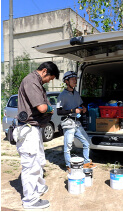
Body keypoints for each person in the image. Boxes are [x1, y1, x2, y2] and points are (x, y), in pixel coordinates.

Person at [14, 61, 60, 209]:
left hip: (34, 129)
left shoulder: (37, 82)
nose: (49, 81)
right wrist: (49, 108)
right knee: (31, 165)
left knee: (39, 160)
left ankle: (38, 188)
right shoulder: (31, 81)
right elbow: (41, 107)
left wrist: (48, 109)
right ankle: (30, 200)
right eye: (50, 78)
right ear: (44, 71)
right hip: (27, 130)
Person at [57, 71, 96, 172]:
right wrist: (73, 110)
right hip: (68, 123)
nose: (75, 81)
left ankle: (86, 163)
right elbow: (59, 111)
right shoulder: (62, 95)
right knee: (68, 146)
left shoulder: (76, 94)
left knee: (87, 142)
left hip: (77, 123)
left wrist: (83, 108)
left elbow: (80, 105)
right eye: (73, 79)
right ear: (66, 81)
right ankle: (69, 166)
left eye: (75, 79)